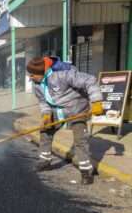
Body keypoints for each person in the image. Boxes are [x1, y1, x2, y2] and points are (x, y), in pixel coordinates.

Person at [26, 56, 104, 185]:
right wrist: (46, 114)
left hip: (76, 109)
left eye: (32, 75)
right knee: (45, 132)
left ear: (42, 72)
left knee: (80, 140)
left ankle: (86, 171)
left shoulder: (63, 75)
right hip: (57, 111)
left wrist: (96, 101)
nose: (30, 77)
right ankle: (45, 161)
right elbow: (43, 101)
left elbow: (89, 80)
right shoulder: (37, 84)